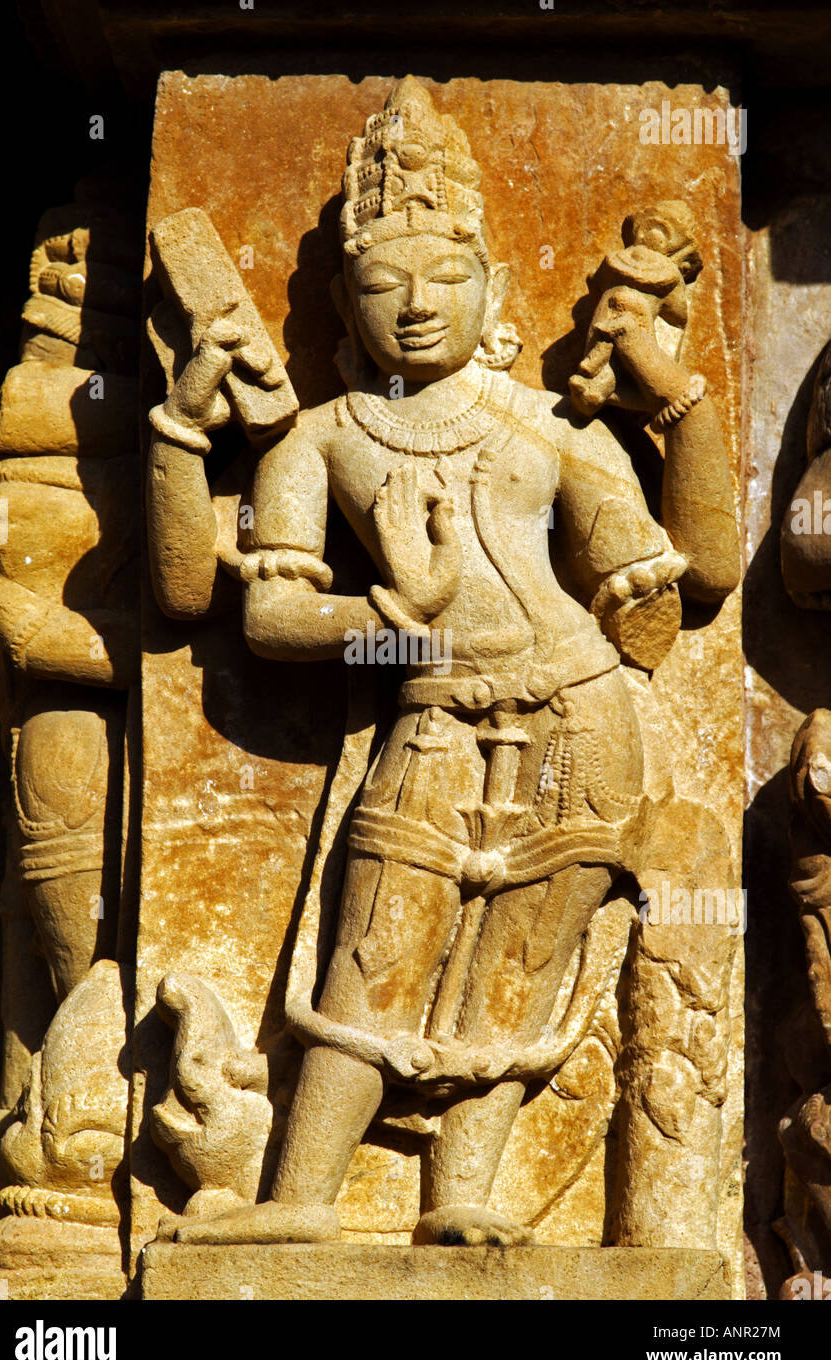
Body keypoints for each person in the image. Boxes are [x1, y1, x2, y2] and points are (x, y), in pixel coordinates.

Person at [147, 77, 739, 1246]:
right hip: (427, 720)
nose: (415, 305)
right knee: (379, 941)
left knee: (517, 957)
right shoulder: (320, 440)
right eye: (380, 282)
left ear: (496, 291)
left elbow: (696, 575)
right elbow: (260, 622)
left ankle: (460, 1195)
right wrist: (395, 613)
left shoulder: (549, 430)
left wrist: (676, 402)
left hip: (578, 716)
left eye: (446, 278)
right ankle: (303, 1203)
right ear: (336, 304)